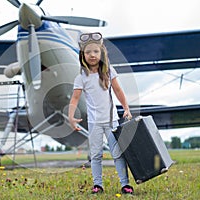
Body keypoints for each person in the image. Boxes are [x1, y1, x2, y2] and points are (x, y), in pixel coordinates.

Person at [68, 32, 134, 195]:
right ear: (83, 55)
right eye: (88, 52)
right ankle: (98, 184)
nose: (92, 55)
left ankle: (125, 184)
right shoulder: (81, 77)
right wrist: (71, 117)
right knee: (96, 155)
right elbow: (75, 99)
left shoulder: (109, 71)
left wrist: (126, 107)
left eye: (96, 51)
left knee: (118, 154)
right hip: (94, 123)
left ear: (101, 53)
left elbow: (118, 90)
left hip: (112, 121)